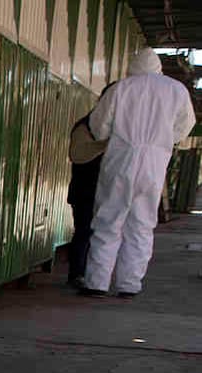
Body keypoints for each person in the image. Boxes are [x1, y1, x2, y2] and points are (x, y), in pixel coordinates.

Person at [80, 49, 196, 297]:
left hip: (121, 158)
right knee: (142, 224)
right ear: (158, 67)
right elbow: (185, 126)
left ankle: (97, 283)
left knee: (109, 221)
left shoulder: (120, 88)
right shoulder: (176, 90)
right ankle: (129, 285)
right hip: (155, 163)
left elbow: (99, 127)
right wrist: (164, 140)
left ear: (133, 66)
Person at [65, 101, 110, 287]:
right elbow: (77, 154)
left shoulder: (103, 127)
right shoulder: (85, 127)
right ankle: (77, 273)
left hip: (100, 191)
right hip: (84, 190)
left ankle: (90, 274)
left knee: (94, 234)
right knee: (84, 232)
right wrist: (106, 145)